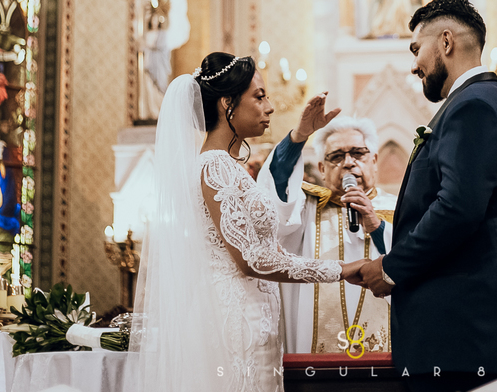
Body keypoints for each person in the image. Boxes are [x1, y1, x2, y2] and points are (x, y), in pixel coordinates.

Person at [126, 53, 366, 392]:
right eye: (259, 96)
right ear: (227, 103)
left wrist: (300, 134)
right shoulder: (214, 167)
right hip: (233, 320)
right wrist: (341, 270)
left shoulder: (231, 167)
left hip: (255, 317)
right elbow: (251, 259)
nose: (270, 107)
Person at [348, 0, 497, 392]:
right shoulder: (476, 102)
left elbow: (458, 208)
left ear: (446, 42)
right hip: (461, 330)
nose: (414, 65)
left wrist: (390, 268)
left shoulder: (474, 107)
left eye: (417, 49)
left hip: (464, 330)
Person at [259, 112, 397, 353]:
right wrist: (299, 135)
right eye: (336, 156)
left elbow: (414, 261)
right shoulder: (305, 208)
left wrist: (376, 225)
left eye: (358, 153)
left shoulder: (400, 208)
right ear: (322, 168)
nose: (348, 162)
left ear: (374, 160)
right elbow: (277, 180)